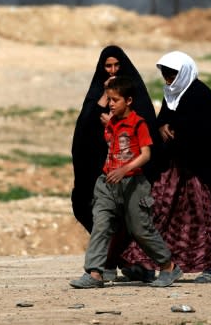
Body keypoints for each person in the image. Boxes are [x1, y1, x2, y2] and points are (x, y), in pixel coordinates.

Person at [120, 51, 211, 283]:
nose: (168, 79)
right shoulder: (172, 95)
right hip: (173, 168)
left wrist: (178, 131)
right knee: (158, 211)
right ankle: (150, 264)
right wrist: (162, 128)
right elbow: (162, 122)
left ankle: (209, 268)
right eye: (165, 74)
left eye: (172, 74)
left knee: (199, 218)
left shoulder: (200, 96)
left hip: (198, 170)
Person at [69, 76, 182, 289]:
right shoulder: (111, 122)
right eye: (109, 99)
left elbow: (146, 154)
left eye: (115, 100)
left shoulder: (138, 123)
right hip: (107, 183)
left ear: (128, 101)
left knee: (141, 229)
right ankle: (94, 273)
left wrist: (125, 169)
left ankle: (168, 266)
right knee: (101, 225)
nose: (111, 104)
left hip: (133, 184)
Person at [70, 45, 162, 281]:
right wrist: (104, 96)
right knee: (100, 220)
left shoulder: (136, 100)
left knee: (137, 226)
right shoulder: (98, 96)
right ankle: (96, 272)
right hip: (103, 173)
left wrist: (114, 125)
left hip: (132, 176)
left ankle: (166, 266)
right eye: (107, 66)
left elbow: (144, 143)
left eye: (116, 66)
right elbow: (84, 129)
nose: (112, 70)